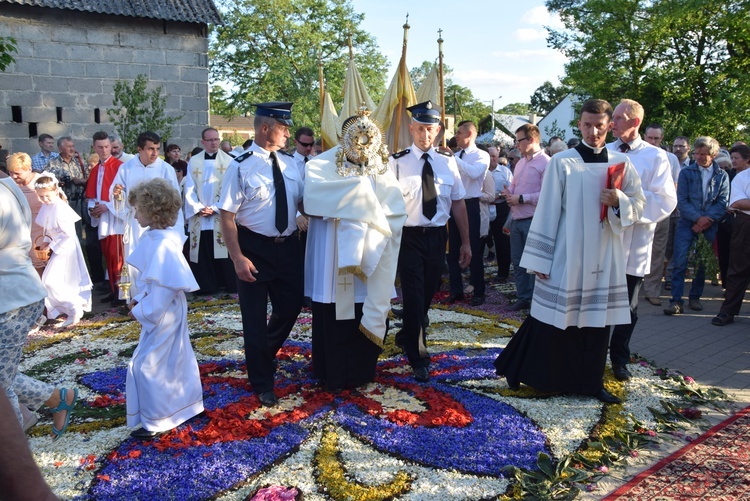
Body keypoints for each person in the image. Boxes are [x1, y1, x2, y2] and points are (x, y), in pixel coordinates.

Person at [494, 99, 645, 404]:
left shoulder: (620, 164)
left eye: (599, 126)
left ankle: (590, 383)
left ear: (610, 126)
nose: (593, 132)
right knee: (553, 320)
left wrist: (619, 201)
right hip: (567, 253)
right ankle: (526, 371)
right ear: (579, 124)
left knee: (599, 321)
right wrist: (539, 258)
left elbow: (638, 204)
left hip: (605, 254)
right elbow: (548, 211)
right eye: (587, 125)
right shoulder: (563, 162)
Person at [304, 109, 406, 391]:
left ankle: (361, 372)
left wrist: (370, 211)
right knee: (335, 314)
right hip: (334, 255)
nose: (361, 142)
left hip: (370, 253)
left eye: (366, 136)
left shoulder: (380, 167)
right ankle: (332, 374)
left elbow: (396, 209)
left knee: (364, 308)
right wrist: (357, 196)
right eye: (356, 135)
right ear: (343, 136)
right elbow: (312, 200)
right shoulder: (320, 165)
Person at [219, 102, 304, 407]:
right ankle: (262, 381)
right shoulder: (239, 164)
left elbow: (304, 204)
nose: (288, 133)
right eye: (284, 128)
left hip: (288, 247)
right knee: (254, 319)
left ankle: (261, 355)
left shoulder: (292, 164)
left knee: (291, 306)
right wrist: (237, 257)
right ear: (265, 128)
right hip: (253, 248)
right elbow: (227, 215)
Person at [389, 100, 471, 382]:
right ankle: (418, 356)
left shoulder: (448, 163)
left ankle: (406, 334)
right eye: (421, 128)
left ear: (438, 131)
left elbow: (458, 203)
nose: (426, 135)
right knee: (413, 295)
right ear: (411, 128)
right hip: (408, 236)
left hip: (438, 236)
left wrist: (466, 242)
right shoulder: (396, 162)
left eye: (431, 129)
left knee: (427, 293)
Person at [1, 170, 78, 439]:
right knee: (2, 374)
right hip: (15, 293)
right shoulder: (8, 188)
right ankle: (56, 398)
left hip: (11, 299)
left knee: (1, 382)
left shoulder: (3, 192)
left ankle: (12, 451)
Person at [125, 178, 204, 439]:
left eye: (138, 210)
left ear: (153, 210)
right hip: (164, 305)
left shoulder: (162, 244)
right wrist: (142, 298)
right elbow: (154, 279)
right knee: (176, 357)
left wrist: (141, 309)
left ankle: (158, 419)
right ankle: (186, 406)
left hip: (164, 310)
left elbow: (163, 288)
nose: (135, 215)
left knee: (150, 363)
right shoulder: (156, 238)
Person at [606, 101, 676, 381]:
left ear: (635, 123)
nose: (613, 122)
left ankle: (619, 357)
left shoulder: (657, 157)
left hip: (634, 241)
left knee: (628, 306)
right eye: (613, 117)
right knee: (597, 301)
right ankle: (593, 354)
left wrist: (625, 202)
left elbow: (665, 200)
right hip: (604, 239)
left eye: (619, 118)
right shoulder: (605, 151)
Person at [111, 131, 183, 299]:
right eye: (150, 149)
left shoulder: (165, 169)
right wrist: (117, 196)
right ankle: (137, 299)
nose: (155, 153)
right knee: (136, 262)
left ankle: (159, 298)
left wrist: (172, 226)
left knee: (158, 261)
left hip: (160, 225)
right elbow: (117, 198)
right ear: (139, 149)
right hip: (136, 224)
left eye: (157, 149)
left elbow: (175, 199)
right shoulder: (126, 168)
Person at [665, 136, 729, 315]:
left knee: (702, 262)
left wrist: (706, 220)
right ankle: (676, 301)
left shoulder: (722, 175)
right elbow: (682, 200)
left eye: (704, 154)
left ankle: (695, 297)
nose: (699, 157)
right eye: (697, 153)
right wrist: (697, 219)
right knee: (680, 261)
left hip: (709, 224)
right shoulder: (686, 172)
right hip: (687, 223)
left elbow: (723, 202)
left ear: (714, 154)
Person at [34, 174, 93, 327]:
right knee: (54, 281)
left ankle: (74, 308)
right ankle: (70, 310)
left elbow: (67, 233)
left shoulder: (60, 207)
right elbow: (48, 230)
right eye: (41, 196)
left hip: (66, 248)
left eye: (47, 196)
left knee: (51, 280)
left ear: (55, 191)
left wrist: (51, 246)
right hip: (57, 246)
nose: (44, 199)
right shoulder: (47, 207)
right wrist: (45, 244)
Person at [502, 124, 550, 311]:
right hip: (516, 219)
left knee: (534, 263)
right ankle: (523, 297)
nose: (517, 145)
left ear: (531, 139)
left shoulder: (546, 163)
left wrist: (521, 198)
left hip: (533, 220)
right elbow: (514, 185)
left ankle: (537, 300)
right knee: (518, 262)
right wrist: (509, 194)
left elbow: (547, 194)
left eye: (519, 140)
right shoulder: (521, 162)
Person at [183, 127, 236, 295]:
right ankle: (206, 286)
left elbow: (231, 189)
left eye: (216, 139)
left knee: (223, 249)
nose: (214, 143)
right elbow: (189, 188)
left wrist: (215, 208)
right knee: (202, 251)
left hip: (219, 213)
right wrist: (198, 208)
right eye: (210, 140)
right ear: (203, 142)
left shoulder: (229, 161)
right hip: (199, 215)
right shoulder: (194, 161)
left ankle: (228, 284)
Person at [445, 120, 489, 305]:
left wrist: (453, 158)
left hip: (470, 205)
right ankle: (456, 290)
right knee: (452, 250)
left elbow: (473, 173)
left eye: (459, 133)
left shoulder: (482, 155)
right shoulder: (457, 155)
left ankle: (479, 291)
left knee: (473, 249)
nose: (456, 136)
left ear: (470, 134)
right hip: (452, 203)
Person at [641, 124, 681, 306]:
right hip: (637, 210)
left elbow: (675, 185)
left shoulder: (670, 158)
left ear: (662, 139)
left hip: (660, 212)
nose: (654, 141)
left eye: (657, 138)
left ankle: (652, 290)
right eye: (650, 138)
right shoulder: (637, 154)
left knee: (657, 252)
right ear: (644, 136)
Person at [86, 131, 124, 302]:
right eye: (100, 147)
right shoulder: (95, 169)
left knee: (117, 256)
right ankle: (113, 289)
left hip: (116, 218)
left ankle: (122, 292)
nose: (104, 150)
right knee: (107, 254)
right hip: (103, 218)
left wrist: (107, 206)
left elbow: (125, 194)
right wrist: (92, 208)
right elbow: (92, 195)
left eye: (107, 146)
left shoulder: (120, 166)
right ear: (94, 148)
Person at [712, 156, 750, 326]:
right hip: (745, 224)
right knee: (737, 269)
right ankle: (727, 312)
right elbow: (737, 202)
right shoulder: (743, 177)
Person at [6, 153, 46, 273]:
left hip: (41, 229)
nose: (13, 176)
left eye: (17, 173)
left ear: (29, 169)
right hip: (19, 230)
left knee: (40, 264)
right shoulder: (10, 183)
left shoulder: (42, 181)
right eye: (11, 173)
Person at [487, 146, 513, 280]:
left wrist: (501, 195)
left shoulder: (505, 171)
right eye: (489, 156)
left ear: (498, 156)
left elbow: (511, 189)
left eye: (494, 156)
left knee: (502, 241)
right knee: (482, 239)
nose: (492, 159)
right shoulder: (481, 171)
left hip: (501, 207)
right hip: (484, 207)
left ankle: (503, 272)